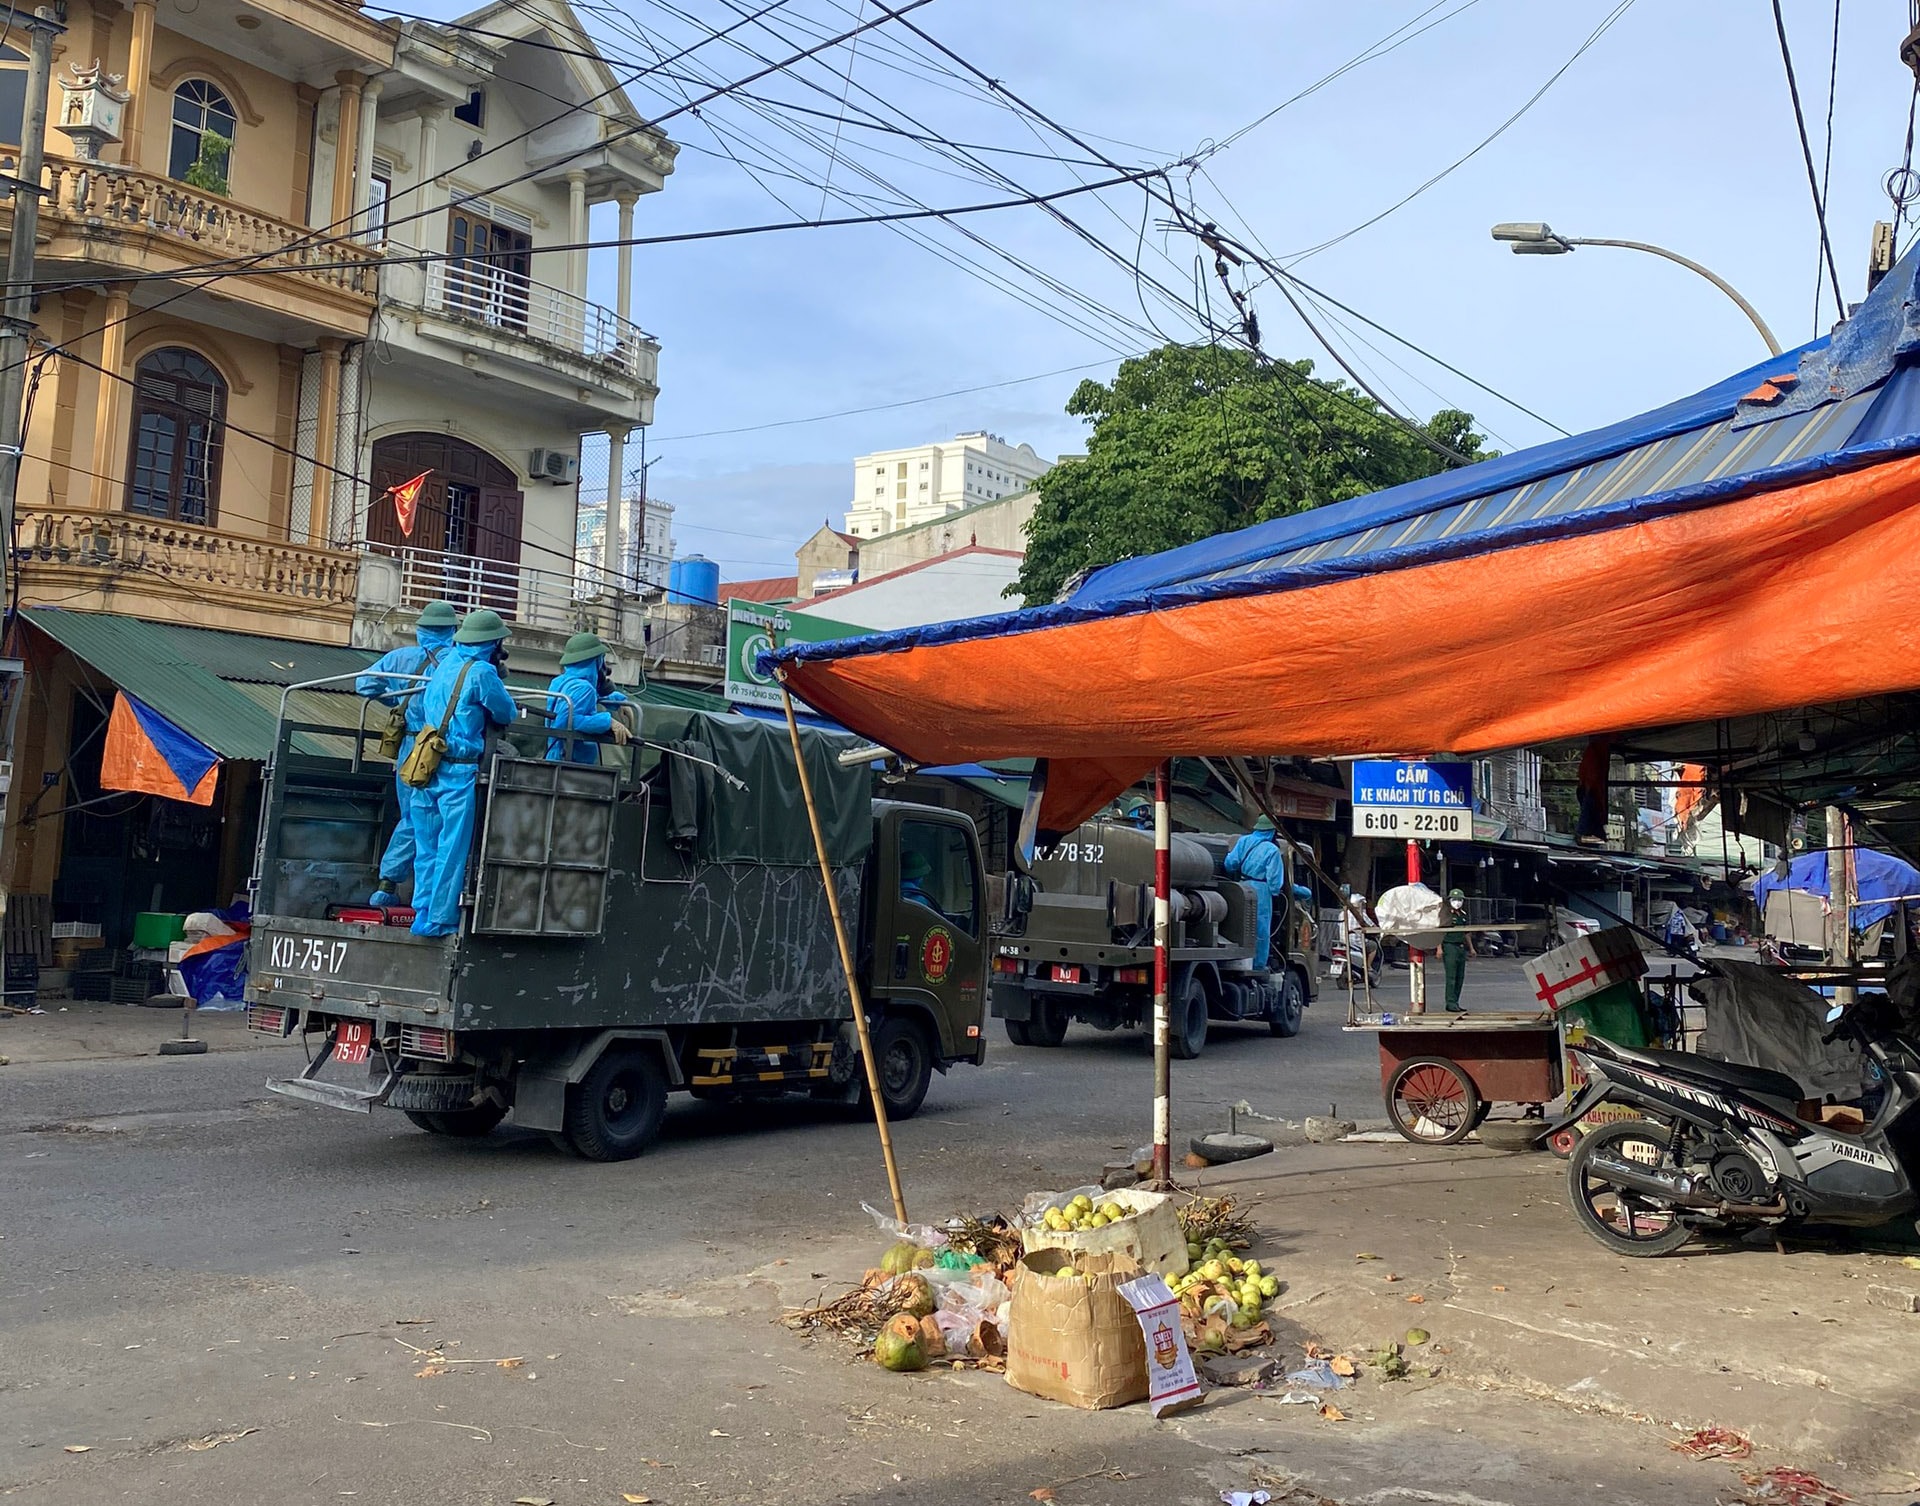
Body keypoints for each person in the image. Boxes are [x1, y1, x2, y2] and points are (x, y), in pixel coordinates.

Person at [409, 609, 519, 938]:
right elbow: (506, 711)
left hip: (427, 766)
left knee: (425, 845)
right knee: (451, 848)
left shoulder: (444, 666)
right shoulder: (482, 671)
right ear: (492, 643)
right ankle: (441, 919)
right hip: (458, 769)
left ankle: (421, 911)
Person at [355, 600, 458, 907]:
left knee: (412, 815)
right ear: (452, 631)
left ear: (420, 630)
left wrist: (398, 702)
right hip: (444, 748)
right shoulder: (459, 661)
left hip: (410, 749)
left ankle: (388, 885)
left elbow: (364, 684)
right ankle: (411, 892)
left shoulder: (400, 658)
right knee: (439, 822)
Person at [544, 632, 632, 764]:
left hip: (557, 756)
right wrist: (608, 722)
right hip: (571, 762)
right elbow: (566, 721)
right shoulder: (584, 688)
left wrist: (618, 701)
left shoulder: (560, 682)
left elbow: (584, 700)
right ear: (596, 661)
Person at [1224, 815, 1287, 969]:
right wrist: (1275, 892)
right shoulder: (1272, 850)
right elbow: (1274, 881)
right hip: (1261, 890)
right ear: (1272, 831)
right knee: (1261, 930)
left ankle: (1239, 959)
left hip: (1241, 887)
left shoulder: (1243, 841)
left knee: (1241, 926)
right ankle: (1258, 965)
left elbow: (1230, 864)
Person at [1441, 887, 1477, 1012]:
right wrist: (1439, 948)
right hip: (1449, 946)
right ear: (1450, 900)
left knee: (1460, 977)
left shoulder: (1463, 915)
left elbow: (1466, 933)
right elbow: (1439, 933)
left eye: (1460, 900)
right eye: (1455, 899)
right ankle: (1450, 1003)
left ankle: (1456, 1002)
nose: (1457, 902)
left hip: (1461, 947)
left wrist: (1471, 948)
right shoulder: (1445, 915)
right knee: (1451, 977)